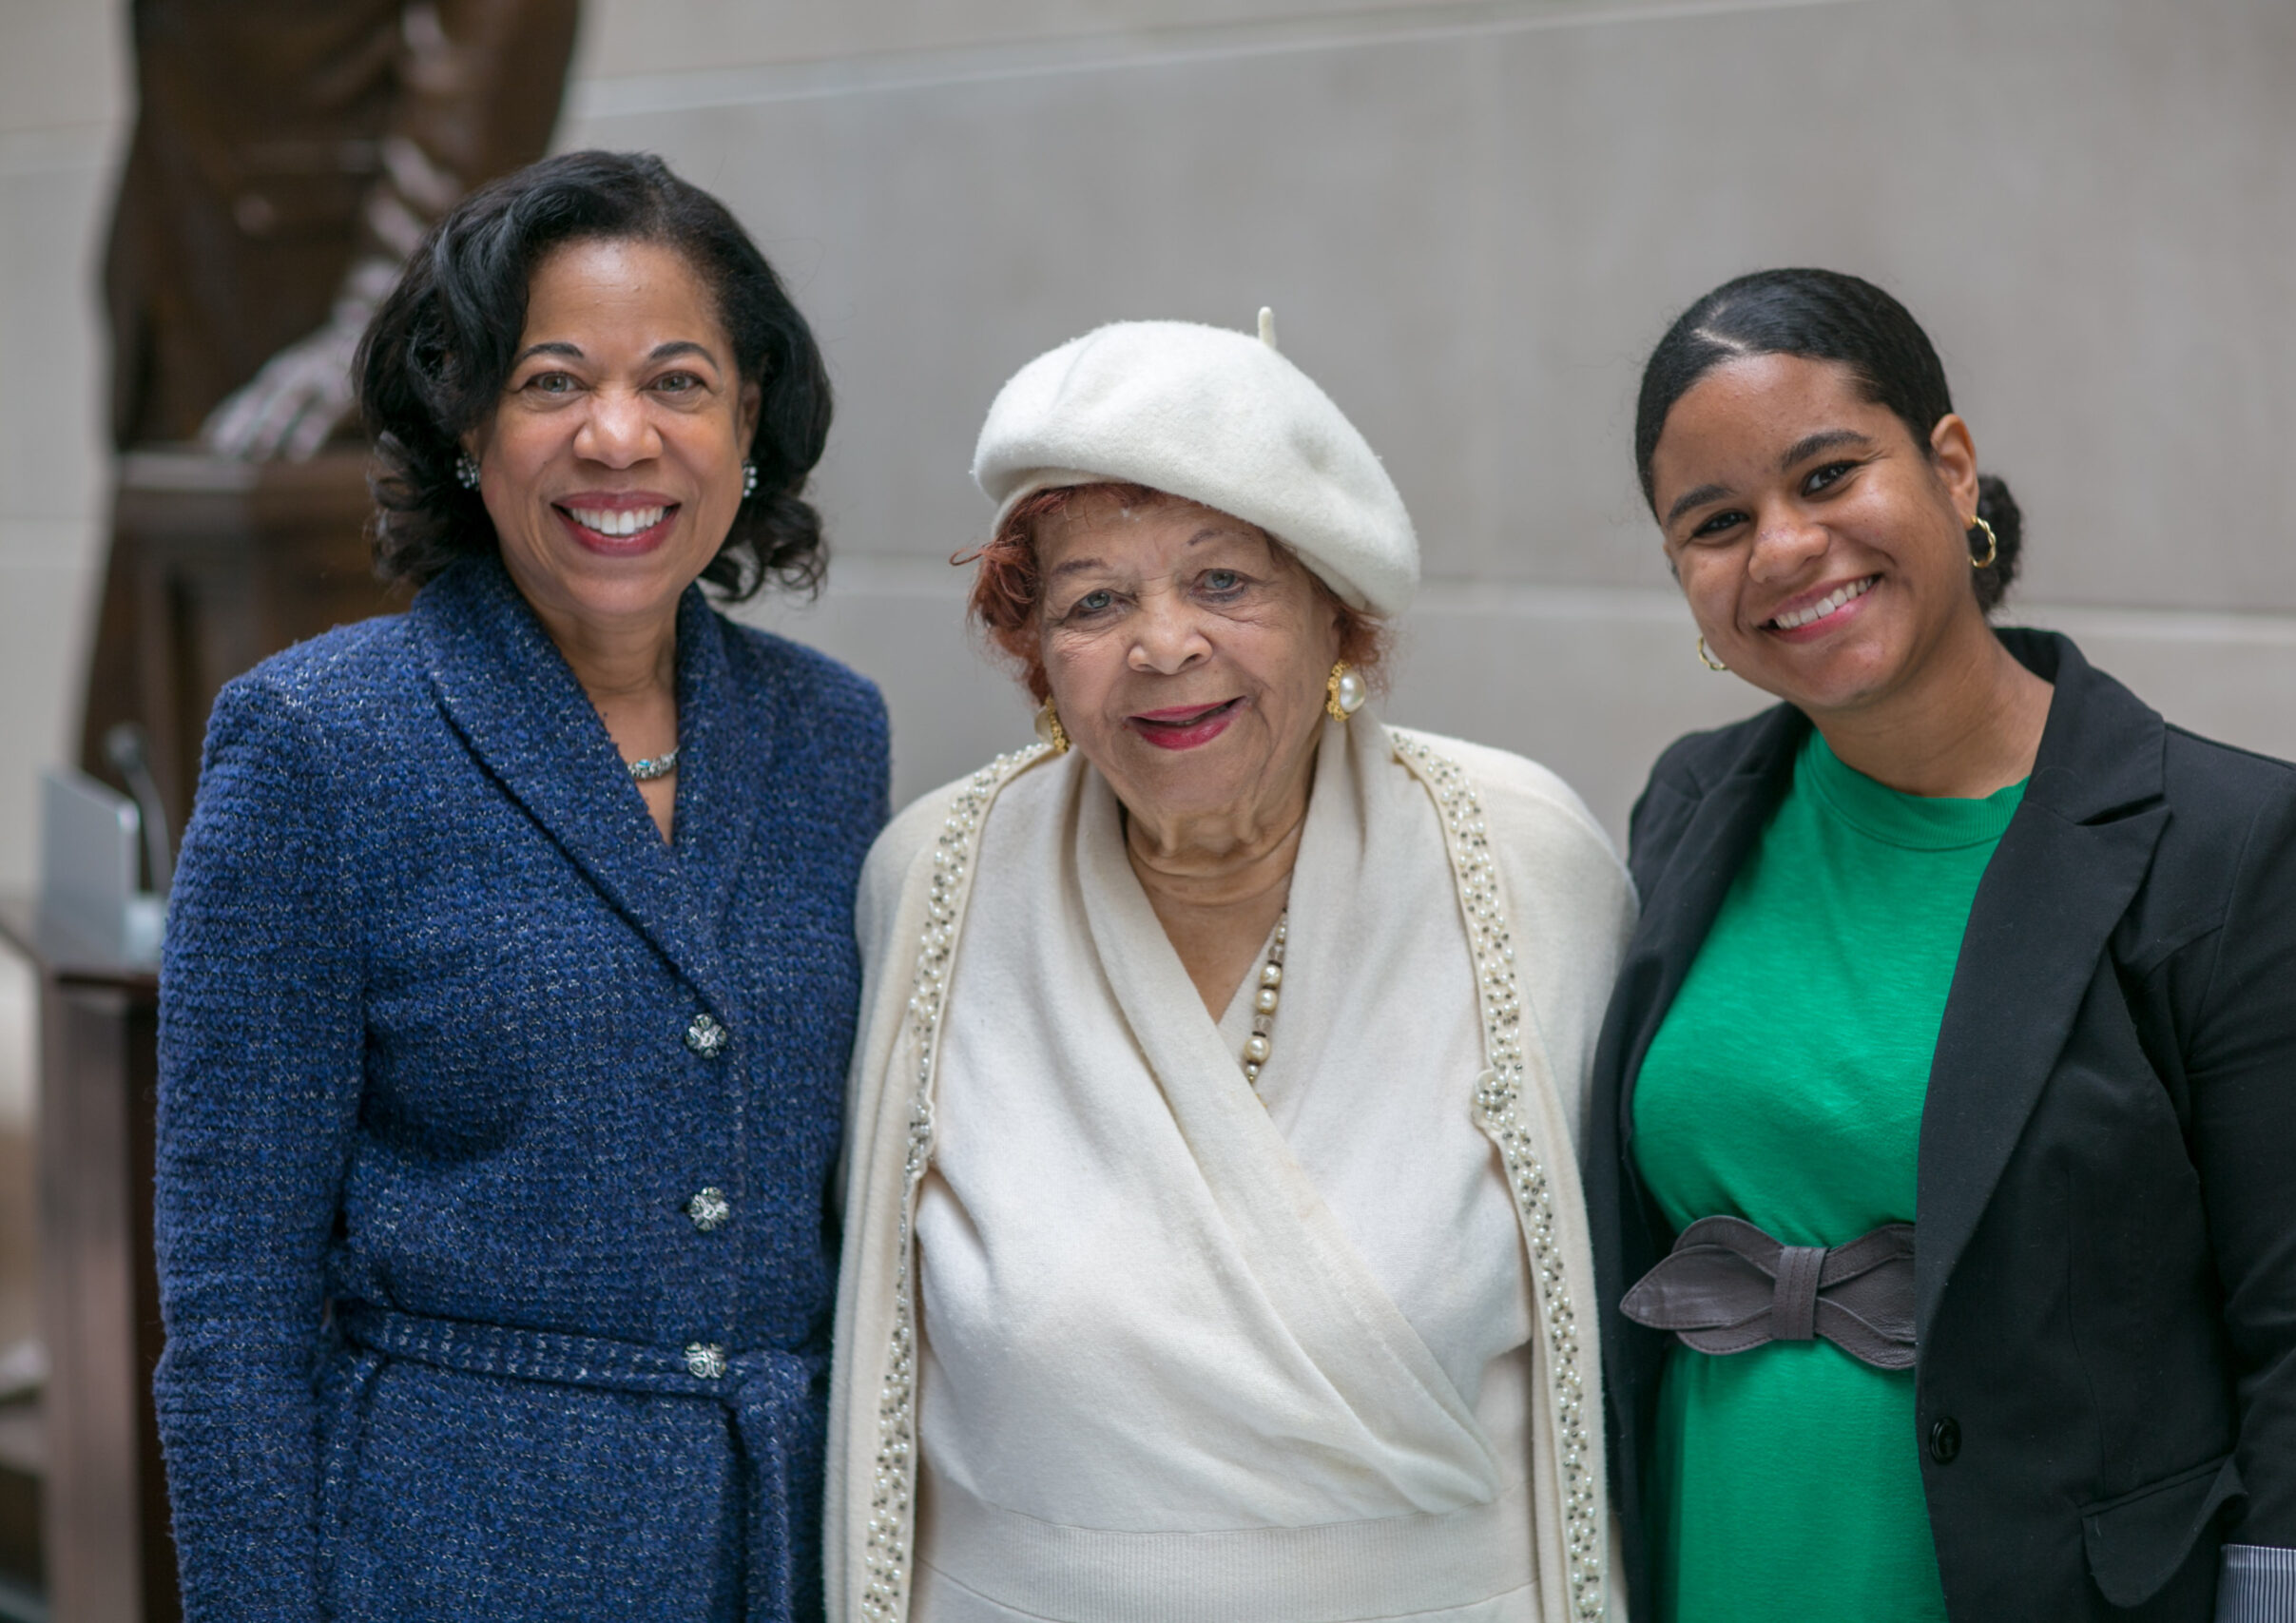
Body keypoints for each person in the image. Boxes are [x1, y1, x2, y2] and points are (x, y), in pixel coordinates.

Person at [1584, 268, 2296, 1622]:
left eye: (1829, 475)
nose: (1785, 549)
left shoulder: (2228, 846)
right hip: (1715, 1570)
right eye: (1717, 522)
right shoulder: (1690, 805)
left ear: (1951, 468)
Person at [153, 150, 889, 1622]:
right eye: (553, 382)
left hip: (777, 1557)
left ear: (750, 423)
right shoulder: (319, 744)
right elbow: (232, 1313)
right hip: (446, 1558)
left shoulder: (832, 733)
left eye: (679, 382)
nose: (619, 436)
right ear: (467, 425)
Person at [825, 315, 1634, 1623]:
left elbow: (1619, 1350)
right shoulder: (937, 879)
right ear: (1039, 657)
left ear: (1336, 613)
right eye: (1094, 600)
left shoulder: (1525, 861)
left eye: (1223, 584)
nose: (1161, 646)